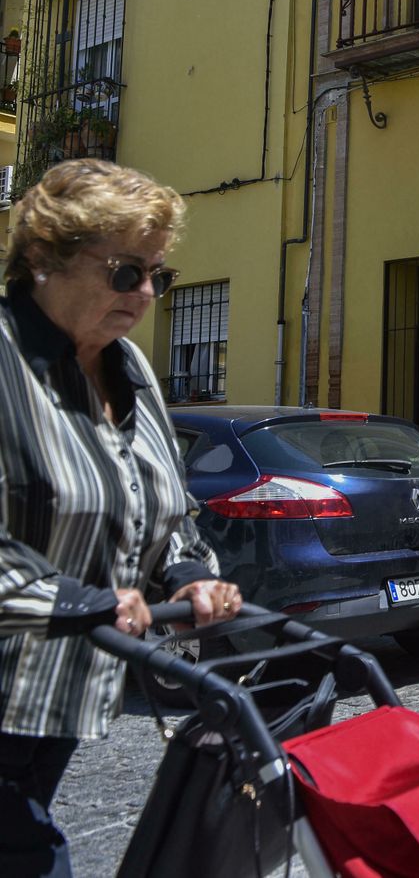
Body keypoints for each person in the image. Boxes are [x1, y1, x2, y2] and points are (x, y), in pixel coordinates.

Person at [0, 160, 242, 877]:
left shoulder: (128, 366)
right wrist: (81, 601)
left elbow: (165, 508)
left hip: (59, 696)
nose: (143, 296)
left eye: (156, 277)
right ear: (44, 257)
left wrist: (192, 575)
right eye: (124, 272)